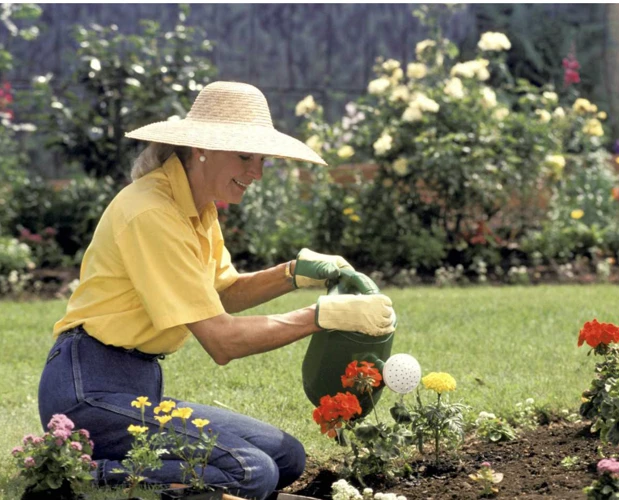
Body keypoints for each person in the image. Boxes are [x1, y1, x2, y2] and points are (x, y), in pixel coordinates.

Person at [38, 81, 397, 500]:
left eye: (261, 158)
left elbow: (221, 292)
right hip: (89, 393)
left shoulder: (197, 206)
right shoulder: (152, 213)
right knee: (252, 471)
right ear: (201, 149)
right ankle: (80, 476)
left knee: (286, 458)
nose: (257, 172)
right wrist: (321, 316)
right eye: (245, 156)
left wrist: (295, 272)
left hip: (135, 389)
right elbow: (222, 341)